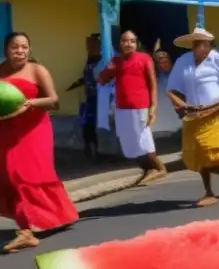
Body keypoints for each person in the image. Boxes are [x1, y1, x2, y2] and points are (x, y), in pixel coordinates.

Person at [0, 32, 79, 252]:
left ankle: (26, 231)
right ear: (6, 49)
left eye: (25, 47)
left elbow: (54, 101)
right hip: (6, 131)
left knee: (26, 174)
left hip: (34, 130)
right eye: (15, 47)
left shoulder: (37, 70)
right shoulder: (0, 71)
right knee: (8, 175)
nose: (20, 51)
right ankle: (53, 216)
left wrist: (31, 103)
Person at [166, 27, 219, 207]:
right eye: (194, 43)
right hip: (194, 114)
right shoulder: (183, 61)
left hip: (218, 113)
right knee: (198, 155)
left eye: (199, 43)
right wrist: (182, 105)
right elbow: (171, 90)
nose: (195, 47)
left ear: (208, 45)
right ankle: (208, 191)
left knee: (212, 150)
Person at [98, 30, 168, 186]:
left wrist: (153, 108)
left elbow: (152, 85)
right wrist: (108, 69)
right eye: (124, 41)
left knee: (143, 141)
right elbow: (101, 79)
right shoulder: (116, 61)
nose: (128, 44)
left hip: (140, 107)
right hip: (122, 108)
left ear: (137, 44)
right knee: (129, 144)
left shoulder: (144, 59)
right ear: (120, 44)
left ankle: (159, 168)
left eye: (132, 41)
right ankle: (147, 169)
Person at [66, 34, 102, 159]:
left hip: (100, 98)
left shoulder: (102, 60)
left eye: (92, 44)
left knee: (93, 124)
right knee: (87, 124)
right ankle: (90, 149)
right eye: (88, 44)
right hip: (90, 97)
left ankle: (96, 150)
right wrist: (76, 84)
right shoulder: (90, 60)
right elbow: (87, 77)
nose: (89, 47)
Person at [151, 45, 181, 137]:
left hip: (178, 127)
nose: (164, 64)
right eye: (160, 62)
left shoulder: (178, 76)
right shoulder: (154, 79)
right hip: (158, 130)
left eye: (166, 61)